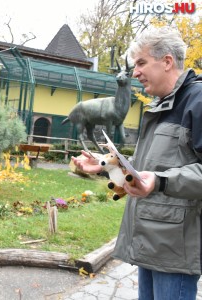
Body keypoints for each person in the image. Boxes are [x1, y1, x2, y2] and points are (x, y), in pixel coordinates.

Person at [72, 26, 202, 299]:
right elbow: (147, 166)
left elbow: (160, 175)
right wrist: (106, 164)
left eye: (141, 63)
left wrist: (161, 182)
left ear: (167, 61)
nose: (136, 72)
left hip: (174, 251)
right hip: (151, 244)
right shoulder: (160, 105)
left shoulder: (197, 102)